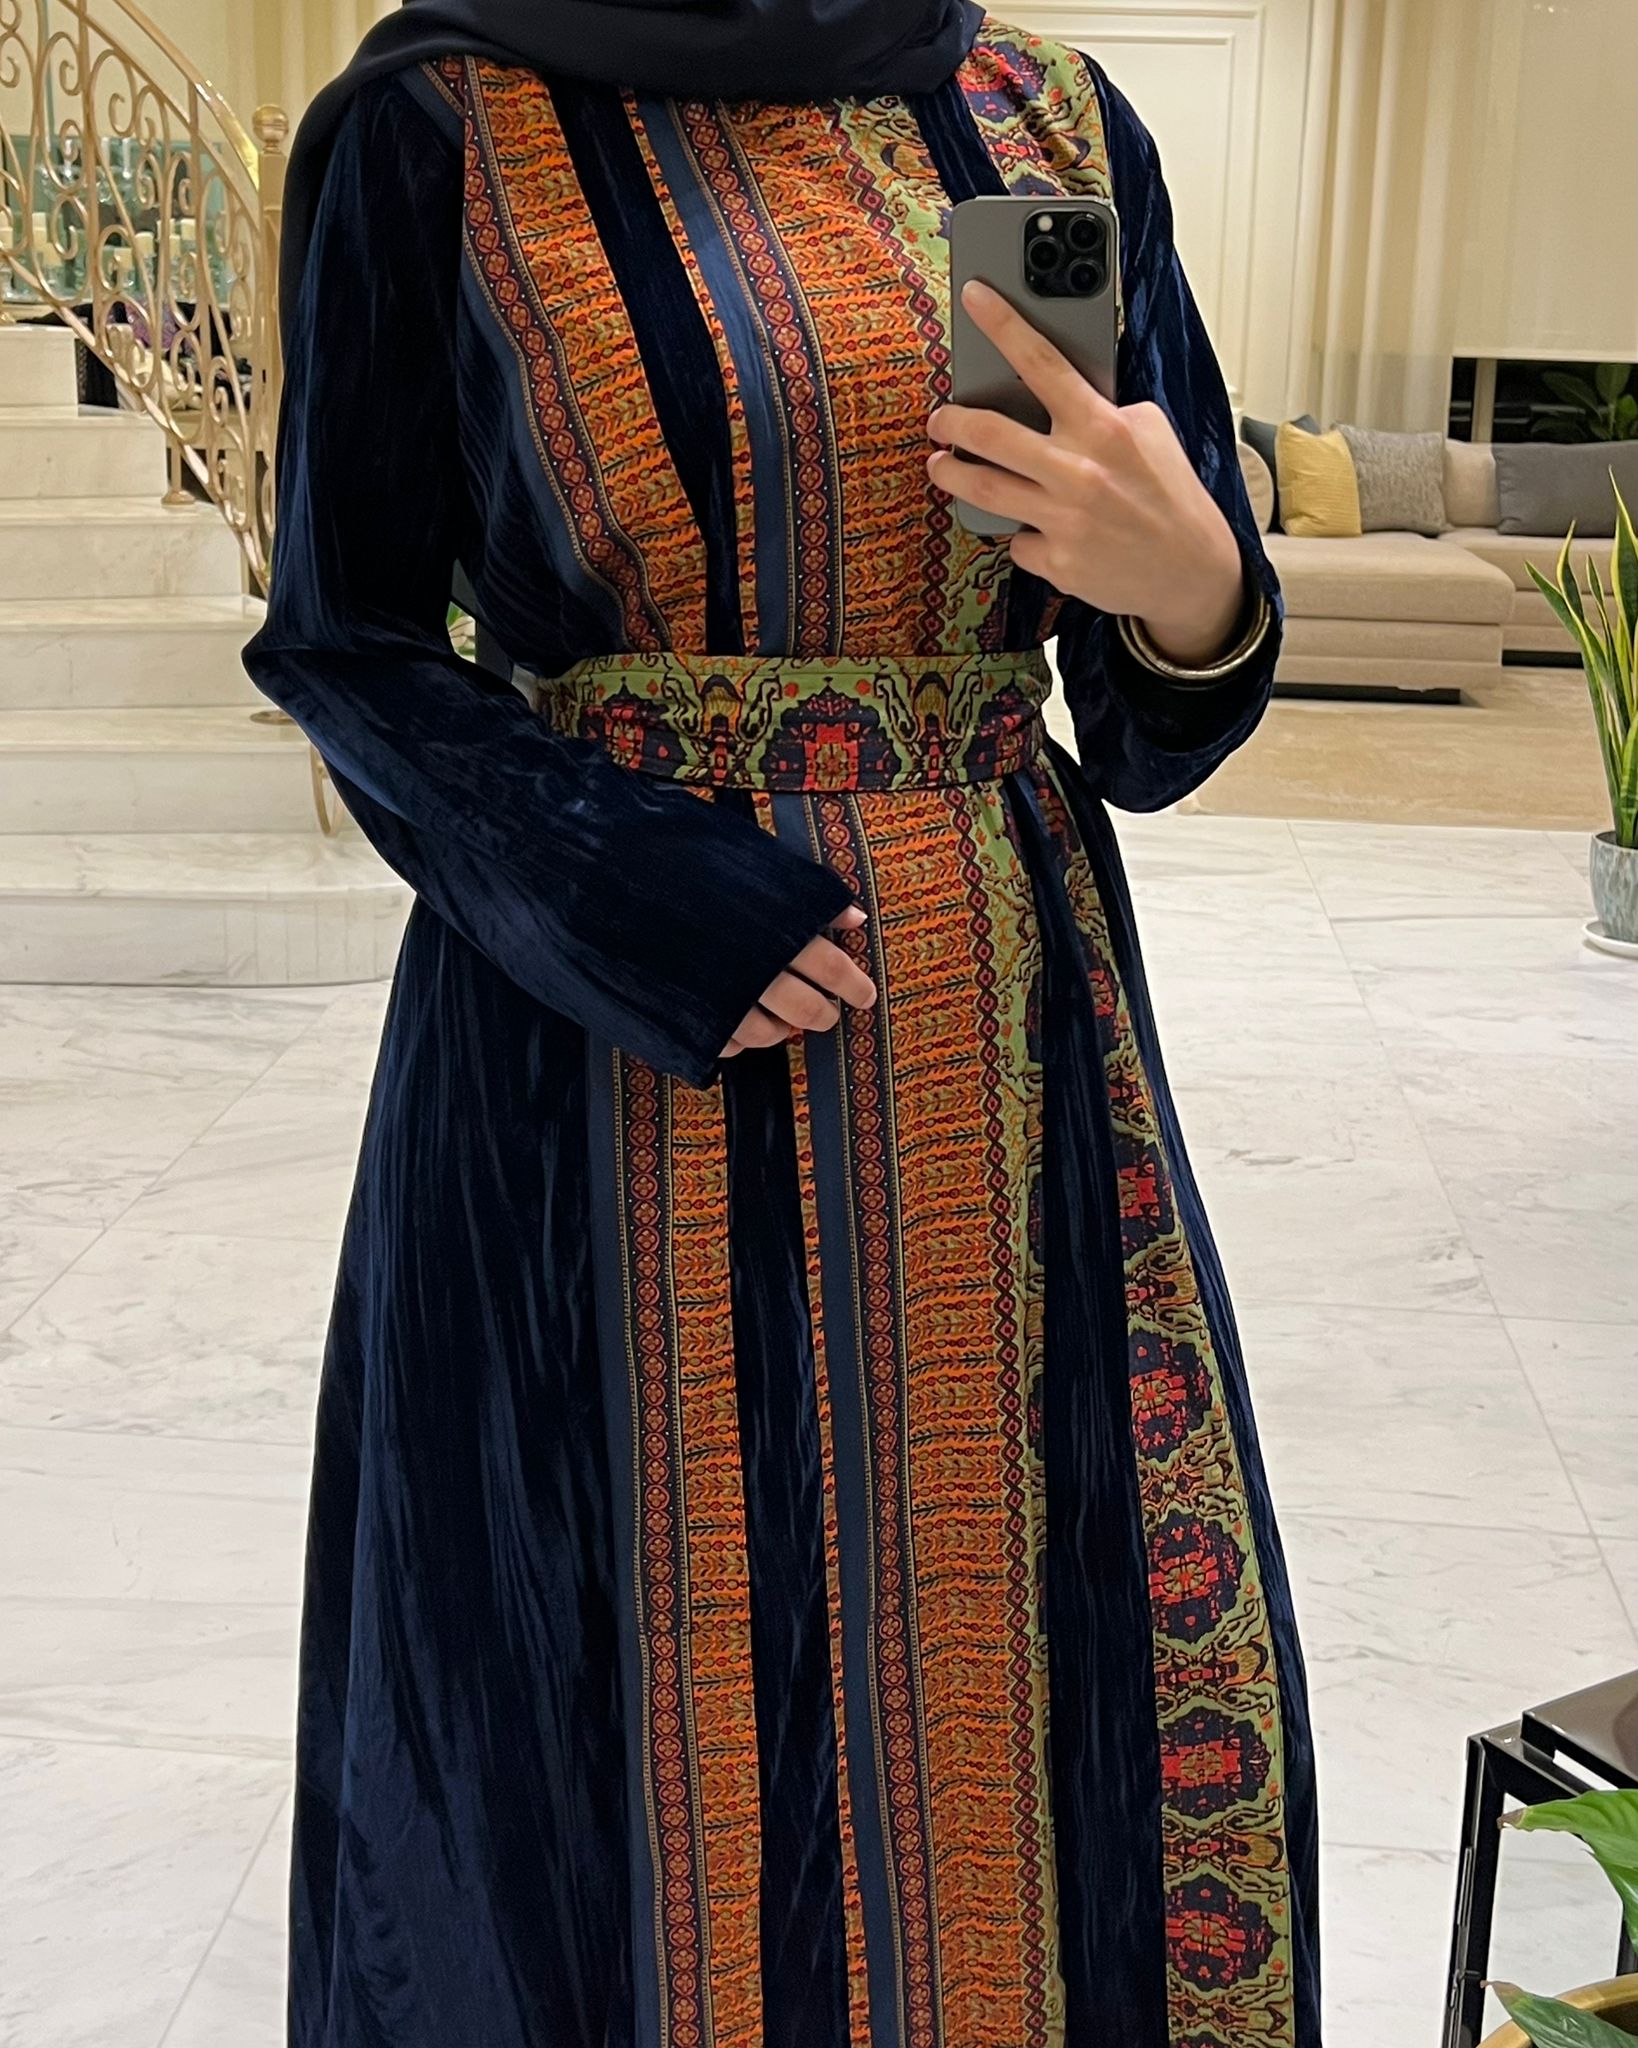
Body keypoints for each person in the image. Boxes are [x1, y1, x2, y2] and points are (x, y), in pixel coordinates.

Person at [247, 2, 1320, 2043]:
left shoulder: (1033, 121)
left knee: (1017, 1660)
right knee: (599, 1708)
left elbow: (1142, 718)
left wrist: (1193, 589)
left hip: (996, 1038)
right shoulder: (444, 113)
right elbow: (346, 639)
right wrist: (614, 885)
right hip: (592, 1052)